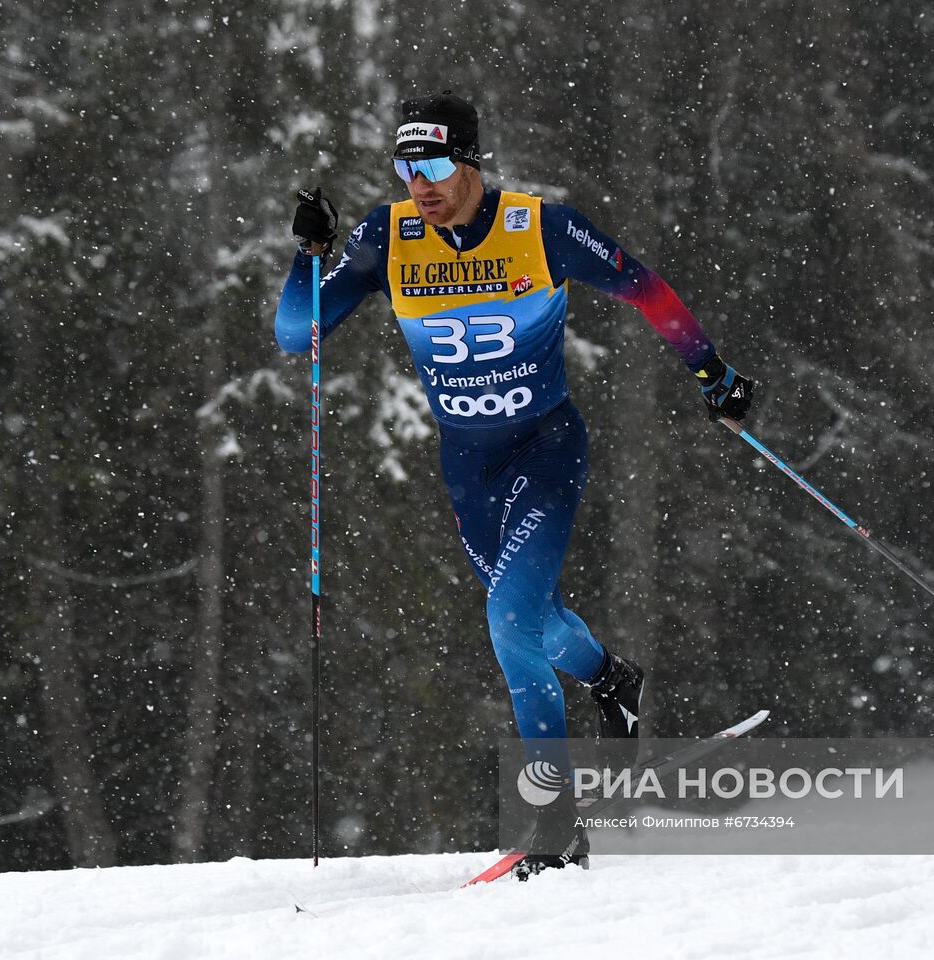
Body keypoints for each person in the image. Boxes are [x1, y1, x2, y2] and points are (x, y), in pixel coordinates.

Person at [275, 91, 754, 876]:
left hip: (545, 452)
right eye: (404, 167)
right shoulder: (388, 236)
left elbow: (645, 287)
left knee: (508, 622)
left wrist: (712, 371)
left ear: (469, 162)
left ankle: (554, 828)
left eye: (431, 165)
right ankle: (613, 680)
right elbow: (298, 333)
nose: (418, 184)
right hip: (469, 469)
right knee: (535, 619)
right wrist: (310, 255)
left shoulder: (541, 228)